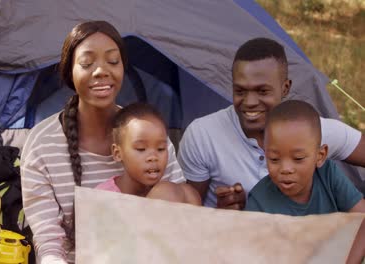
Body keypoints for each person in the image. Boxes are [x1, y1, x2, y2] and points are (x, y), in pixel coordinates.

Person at [20, 21, 185, 264]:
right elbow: (49, 243)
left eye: (113, 61)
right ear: (70, 72)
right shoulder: (42, 145)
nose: (101, 71)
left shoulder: (150, 134)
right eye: (87, 63)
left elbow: (182, 212)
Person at [178, 37, 365, 209]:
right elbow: (189, 209)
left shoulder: (313, 131)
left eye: (262, 91)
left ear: (285, 88)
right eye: (240, 91)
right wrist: (220, 214)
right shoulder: (202, 134)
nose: (250, 102)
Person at [245, 100, 365, 263]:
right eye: (274, 159)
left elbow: (362, 217)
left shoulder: (327, 174)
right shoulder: (258, 203)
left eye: (298, 158)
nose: (286, 169)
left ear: (320, 156)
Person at [95, 102, 201, 206]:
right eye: (141, 149)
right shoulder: (103, 198)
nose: (153, 157)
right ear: (117, 153)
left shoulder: (177, 196)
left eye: (160, 149)